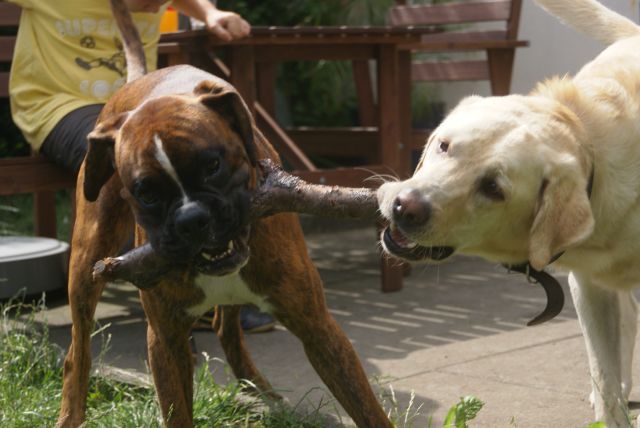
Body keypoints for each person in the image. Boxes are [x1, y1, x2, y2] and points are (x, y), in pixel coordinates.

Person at [7, 0, 275, 333]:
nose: (155, 6)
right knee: (133, 169)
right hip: (58, 106)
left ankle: (206, 287)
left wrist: (210, 13)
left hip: (136, 109)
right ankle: (179, 301)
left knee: (189, 159)